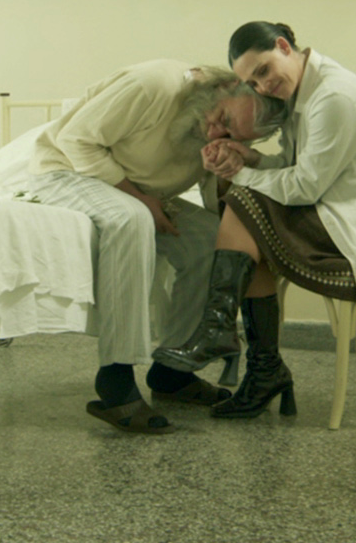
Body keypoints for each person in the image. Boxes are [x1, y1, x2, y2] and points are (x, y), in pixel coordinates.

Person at [153, 22, 356, 419]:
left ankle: (229, 338)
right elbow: (294, 167)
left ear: (284, 46)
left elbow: (306, 186)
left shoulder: (334, 96)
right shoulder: (303, 93)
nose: (263, 86)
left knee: (244, 201)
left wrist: (241, 175)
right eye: (252, 82)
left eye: (263, 70)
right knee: (250, 223)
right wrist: (249, 158)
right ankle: (253, 360)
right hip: (337, 212)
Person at [27, 59, 286, 434]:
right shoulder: (152, 85)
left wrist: (224, 169)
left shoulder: (215, 130)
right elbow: (75, 141)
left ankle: (172, 373)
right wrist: (140, 200)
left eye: (232, 135)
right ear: (226, 87)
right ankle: (115, 380)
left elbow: (213, 203)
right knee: (130, 219)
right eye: (223, 119)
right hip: (64, 170)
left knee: (210, 238)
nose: (216, 132)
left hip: (136, 191)